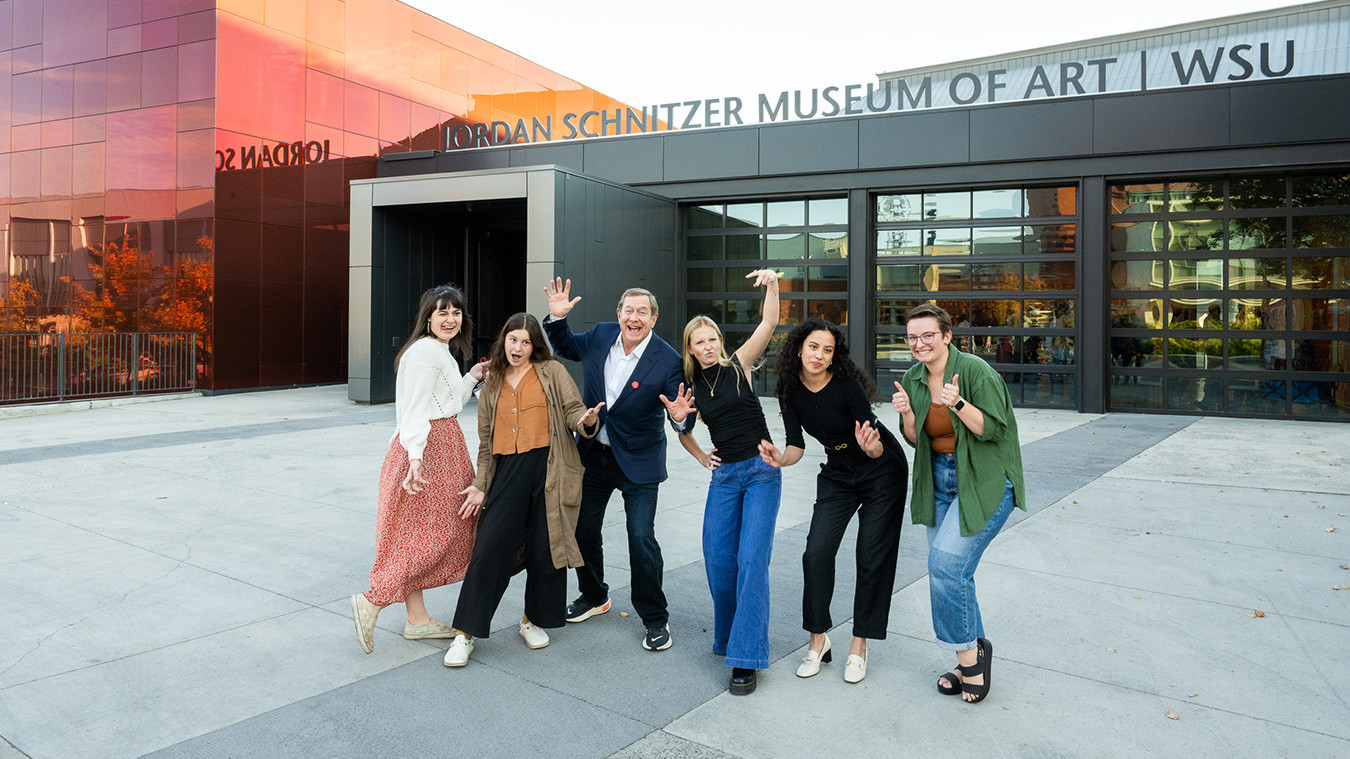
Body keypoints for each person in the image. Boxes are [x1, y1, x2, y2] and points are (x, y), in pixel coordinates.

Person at [443, 313, 603, 667]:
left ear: (535, 346)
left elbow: (572, 410)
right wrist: (480, 484)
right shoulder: (493, 381)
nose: (518, 347)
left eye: (526, 341)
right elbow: (486, 444)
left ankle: (531, 619)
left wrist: (584, 420)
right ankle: (464, 634)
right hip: (507, 473)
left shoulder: (552, 371)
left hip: (551, 468)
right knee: (489, 550)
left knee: (546, 549)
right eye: (513, 339)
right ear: (504, 341)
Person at [543, 278, 694, 651]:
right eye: (629, 310)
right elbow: (565, 346)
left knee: (641, 538)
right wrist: (557, 319)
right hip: (594, 454)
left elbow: (683, 415)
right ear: (619, 314)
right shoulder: (600, 335)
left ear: (654, 318)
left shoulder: (668, 359)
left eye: (643, 312)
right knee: (581, 530)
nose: (634, 317)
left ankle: (655, 617)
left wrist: (678, 417)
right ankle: (594, 595)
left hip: (639, 461)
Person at [758, 317, 908, 685]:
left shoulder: (846, 385)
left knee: (871, 556)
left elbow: (871, 439)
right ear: (799, 348)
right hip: (838, 472)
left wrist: (872, 450)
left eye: (827, 350)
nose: (819, 355)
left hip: (881, 469)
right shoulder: (789, 390)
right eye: (813, 347)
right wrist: (780, 459)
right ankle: (818, 639)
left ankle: (860, 644)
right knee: (816, 553)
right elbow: (796, 445)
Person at [891, 303, 1026, 703]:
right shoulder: (913, 378)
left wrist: (959, 404)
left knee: (946, 566)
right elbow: (917, 440)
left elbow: (993, 429)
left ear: (947, 336)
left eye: (928, 335)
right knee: (956, 575)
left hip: (984, 480)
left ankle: (968, 661)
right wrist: (907, 416)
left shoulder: (975, 371)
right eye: (913, 337)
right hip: (938, 480)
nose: (920, 343)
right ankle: (973, 652)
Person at [665, 268, 781, 695]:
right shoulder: (690, 385)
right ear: (691, 350)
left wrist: (772, 284)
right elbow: (685, 431)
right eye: (699, 342)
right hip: (726, 476)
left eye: (712, 338)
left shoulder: (740, 366)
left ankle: (746, 659)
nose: (708, 346)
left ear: (719, 341)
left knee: (752, 560)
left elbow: (768, 323)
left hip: (761, 471)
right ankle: (730, 637)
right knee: (717, 559)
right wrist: (696, 449)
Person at [351, 284, 485, 654]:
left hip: (439, 445)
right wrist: (415, 458)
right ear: (428, 318)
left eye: (456, 312)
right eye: (442, 312)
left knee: (419, 534)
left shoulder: (440, 351)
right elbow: (414, 410)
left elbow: (450, 400)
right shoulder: (426, 352)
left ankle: (418, 619)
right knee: (437, 534)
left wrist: (472, 375)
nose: (450, 319)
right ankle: (373, 601)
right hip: (427, 451)